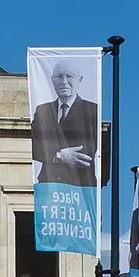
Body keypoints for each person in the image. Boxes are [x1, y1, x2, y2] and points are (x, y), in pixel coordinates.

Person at [30, 58, 99, 186]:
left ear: (80, 79)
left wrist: (51, 151)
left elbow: (87, 150)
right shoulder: (42, 110)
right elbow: (33, 146)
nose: (64, 81)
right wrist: (59, 155)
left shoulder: (92, 110)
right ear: (52, 80)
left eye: (69, 76)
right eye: (59, 76)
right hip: (49, 185)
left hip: (79, 187)